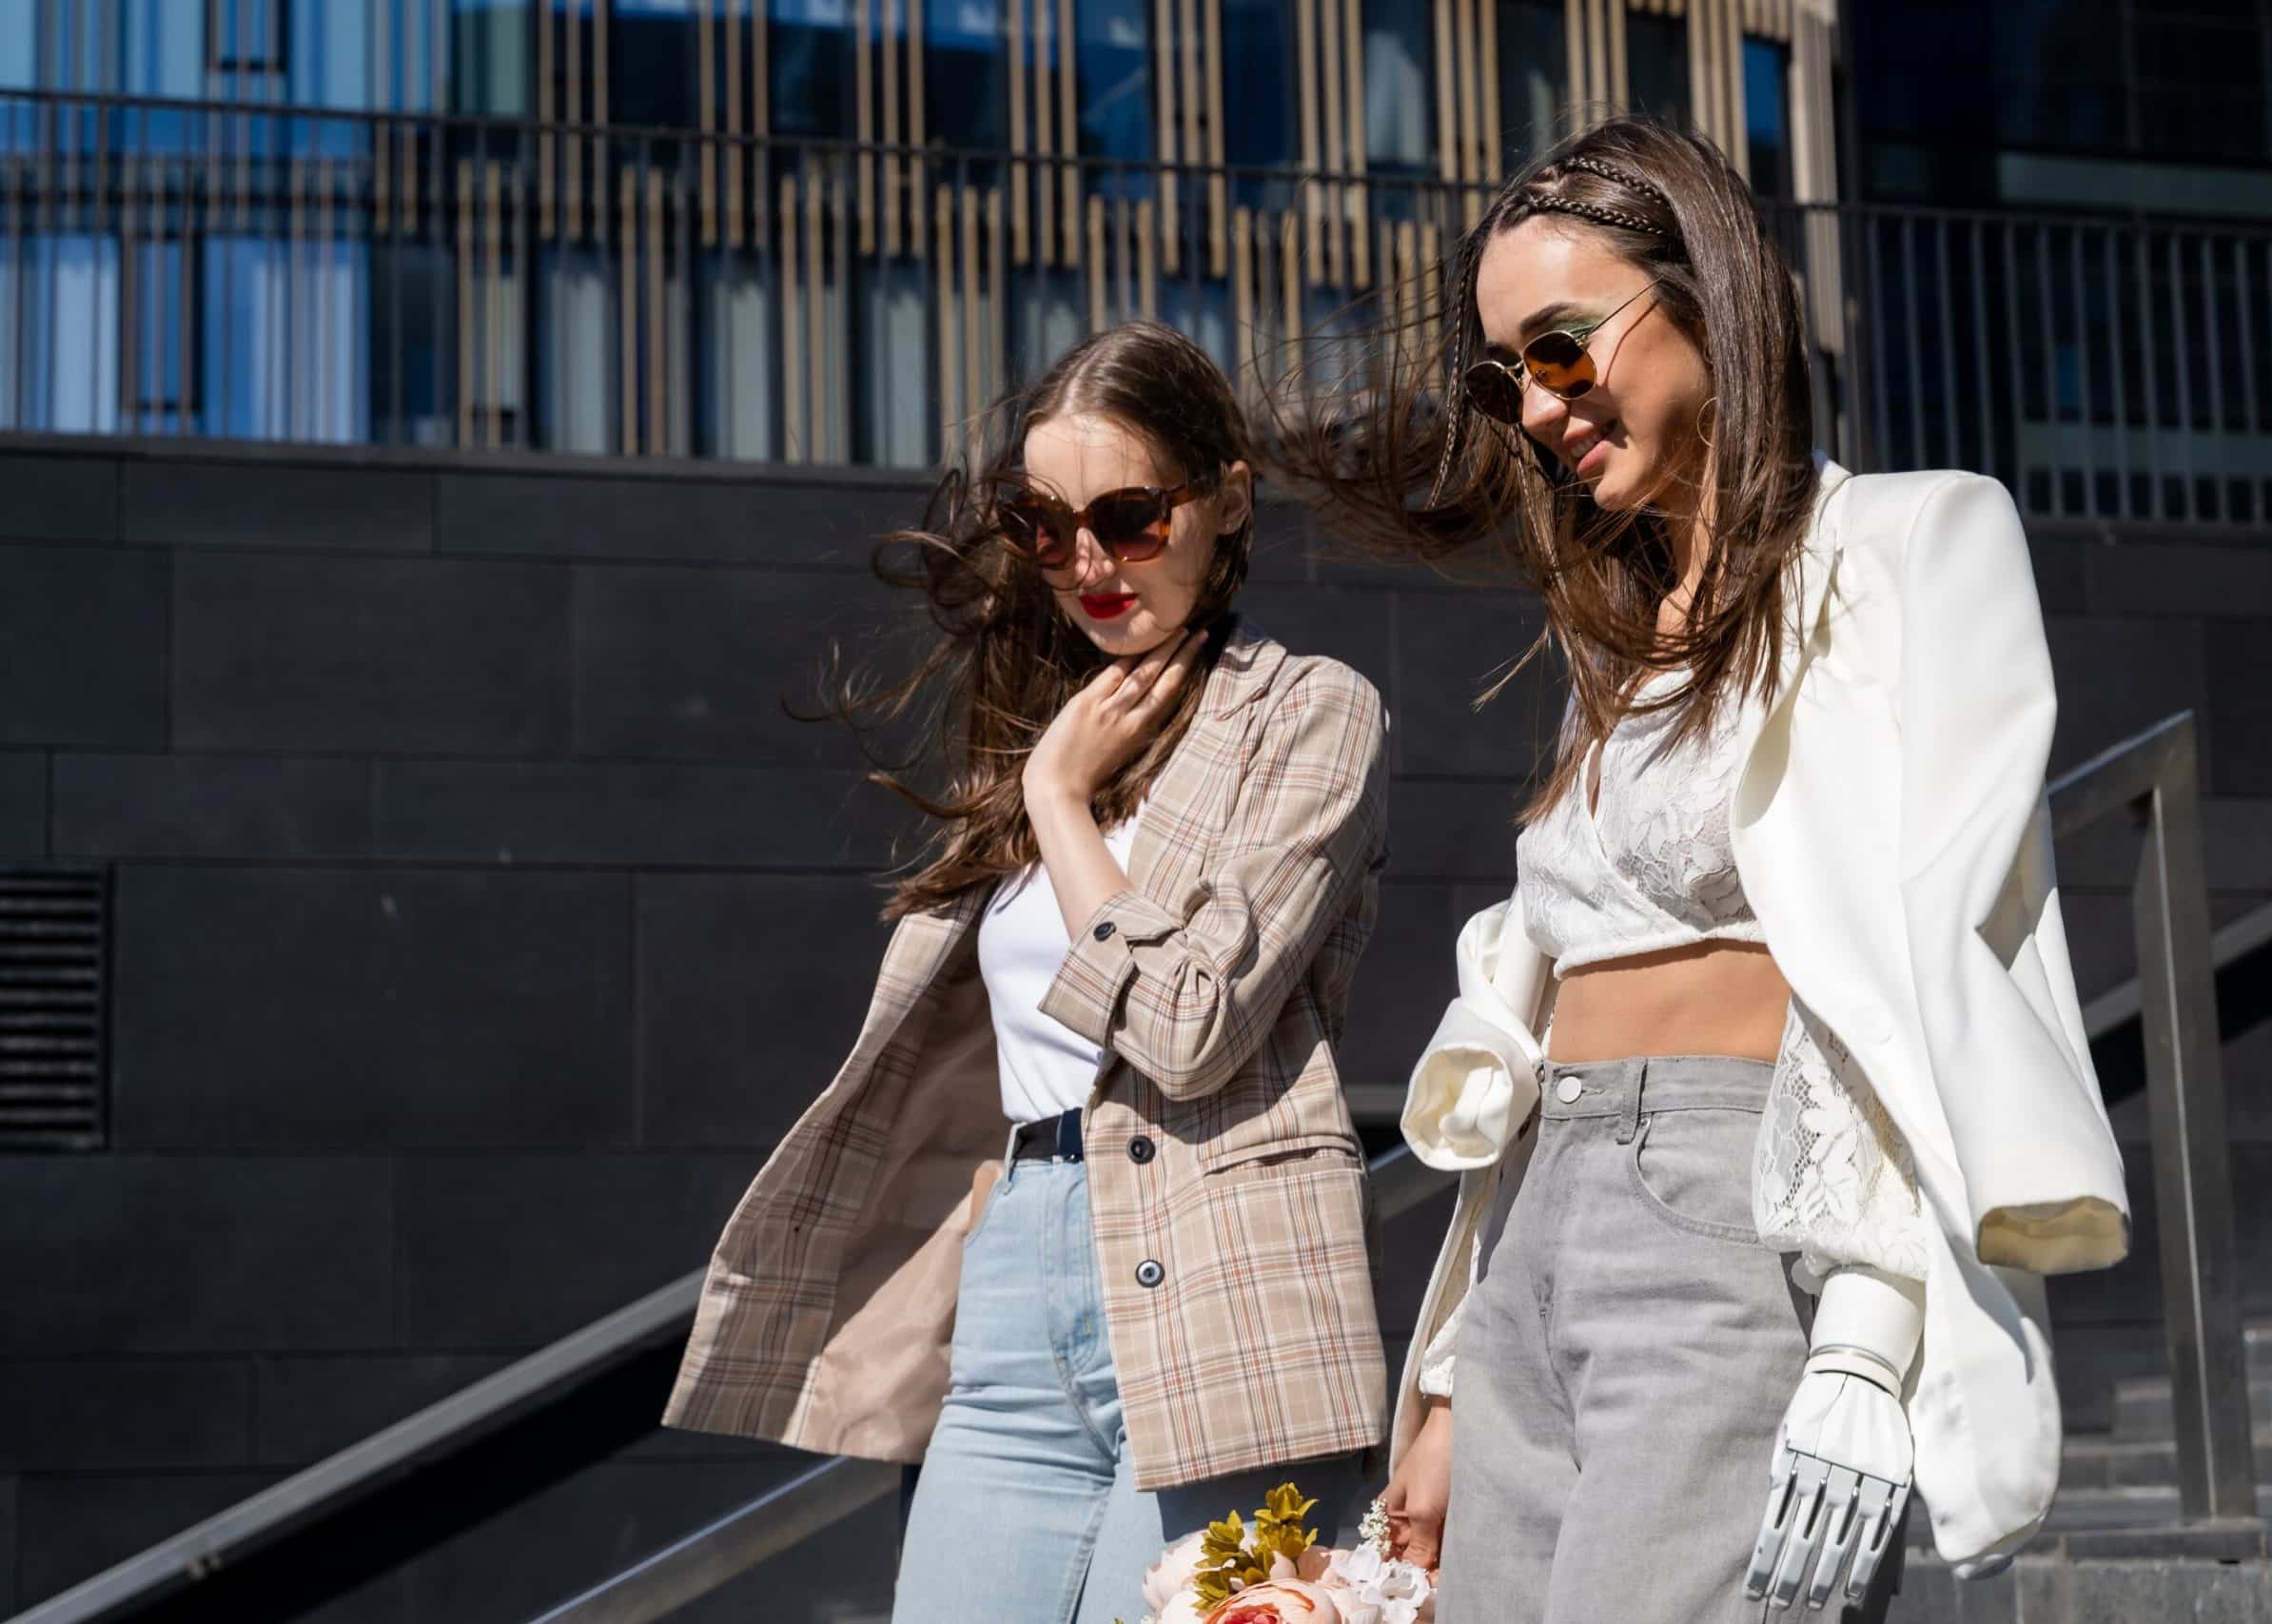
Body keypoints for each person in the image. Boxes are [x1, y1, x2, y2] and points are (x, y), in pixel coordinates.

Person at [1274, 118, 2130, 1621]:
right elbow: (1544, 1019)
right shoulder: (1615, 649)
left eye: (1556, 348)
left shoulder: (1915, 543)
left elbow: (1944, 955)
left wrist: (1874, 1330)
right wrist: (1465, 1364)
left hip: (1742, 1224)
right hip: (1543, 1230)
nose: (1532, 409)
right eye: (1499, 376)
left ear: (1708, 290)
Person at [662, 322, 1392, 1624]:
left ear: (1227, 501)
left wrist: (1062, 803)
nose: (1090, 565)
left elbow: (1190, 1025)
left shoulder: (1312, 713)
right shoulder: (1037, 731)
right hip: (1016, 1281)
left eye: (1128, 516)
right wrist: (1044, 774)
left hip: (1224, 1277)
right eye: (1048, 528)